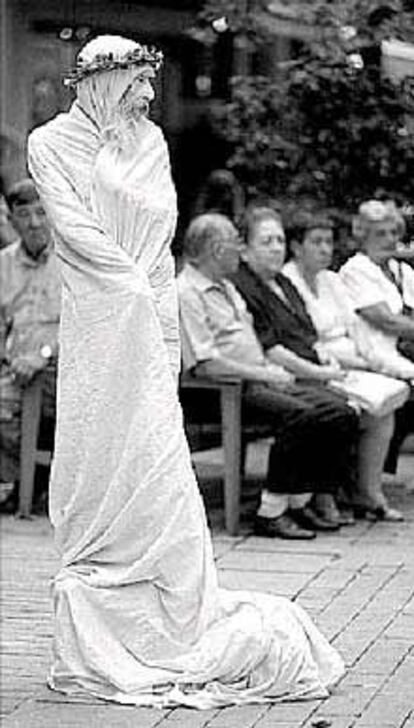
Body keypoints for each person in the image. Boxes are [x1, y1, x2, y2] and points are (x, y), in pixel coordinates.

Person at [28, 35, 344, 708]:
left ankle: (166, 600)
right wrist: (128, 293)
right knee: (100, 453)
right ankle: (103, 572)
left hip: (148, 319)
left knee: (155, 454)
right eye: (137, 84)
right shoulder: (50, 143)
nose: (147, 96)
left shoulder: (149, 144)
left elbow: (161, 231)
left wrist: (152, 308)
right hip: (100, 318)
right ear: (103, 82)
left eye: (149, 84)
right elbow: (75, 230)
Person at [178, 211, 360, 537]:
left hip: (258, 379)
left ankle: (297, 501)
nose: (240, 252)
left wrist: (273, 370)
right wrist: (265, 373)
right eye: (236, 244)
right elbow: (206, 364)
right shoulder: (187, 292)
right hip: (222, 391)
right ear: (217, 249)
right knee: (305, 416)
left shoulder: (227, 287)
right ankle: (271, 511)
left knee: (340, 411)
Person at [281, 208, 409, 521]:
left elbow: (356, 330)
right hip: (317, 363)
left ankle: (368, 491)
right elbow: (305, 340)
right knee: (349, 408)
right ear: (297, 246)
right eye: (317, 242)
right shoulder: (288, 282)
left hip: (352, 359)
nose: (325, 249)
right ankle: (324, 492)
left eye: (328, 242)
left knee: (384, 403)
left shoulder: (332, 280)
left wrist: (374, 363)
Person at [339, 200, 414, 478]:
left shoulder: (401, 271)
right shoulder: (355, 270)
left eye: (393, 233)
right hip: (375, 353)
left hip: (404, 350)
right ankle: (364, 480)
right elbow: (385, 320)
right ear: (363, 235)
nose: (389, 240)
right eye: (380, 233)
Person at [0, 179, 60, 510]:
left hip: (63, 369)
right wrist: (9, 361)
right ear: (11, 220)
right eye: (24, 215)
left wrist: (43, 355)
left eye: (41, 213)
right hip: (15, 371)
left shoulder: (73, 261)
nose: (35, 223)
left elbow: (84, 325)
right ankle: (26, 478)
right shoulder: (3, 264)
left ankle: (38, 479)